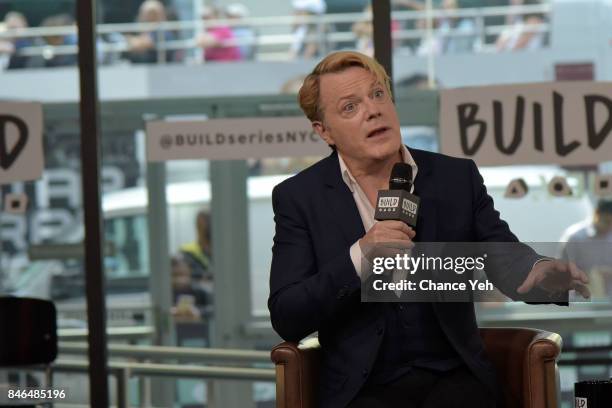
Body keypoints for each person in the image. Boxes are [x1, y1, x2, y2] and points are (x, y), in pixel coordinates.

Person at [268, 51, 590, 408]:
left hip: (453, 379)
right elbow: (288, 314)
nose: (373, 110)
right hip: (362, 390)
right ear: (324, 131)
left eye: (378, 95)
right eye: (350, 107)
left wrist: (541, 272)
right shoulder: (300, 197)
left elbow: (503, 257)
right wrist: (361, 255)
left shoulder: (455, 177)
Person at [559, 199, 612, 297]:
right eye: (607, 221)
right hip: (582, 300)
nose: (610, 227)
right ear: (597, 214)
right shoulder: (574, 237)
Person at [179, 210, 213, 289]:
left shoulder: (222, 253)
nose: (205, 227)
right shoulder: (186, 252)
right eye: (202, 224)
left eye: (208, 222)